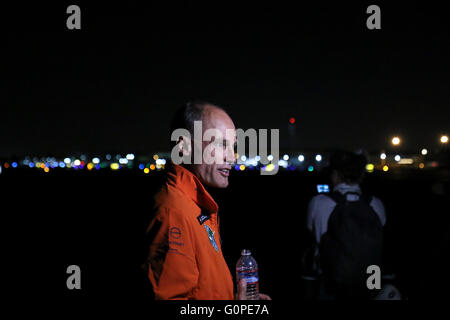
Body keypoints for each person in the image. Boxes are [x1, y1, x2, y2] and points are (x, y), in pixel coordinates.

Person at [144, 101, 271, 300]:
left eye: (233, 146)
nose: (232, 157)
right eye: (221, 144)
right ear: (184, 147)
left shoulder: (194, 206)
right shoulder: (174, 213)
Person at [304, 150, 387, 300]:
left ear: (334, 174)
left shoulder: (318, 202)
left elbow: (312, 233)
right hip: (370, 281)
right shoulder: (376, 204)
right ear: (361, 175)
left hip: (332, 283)